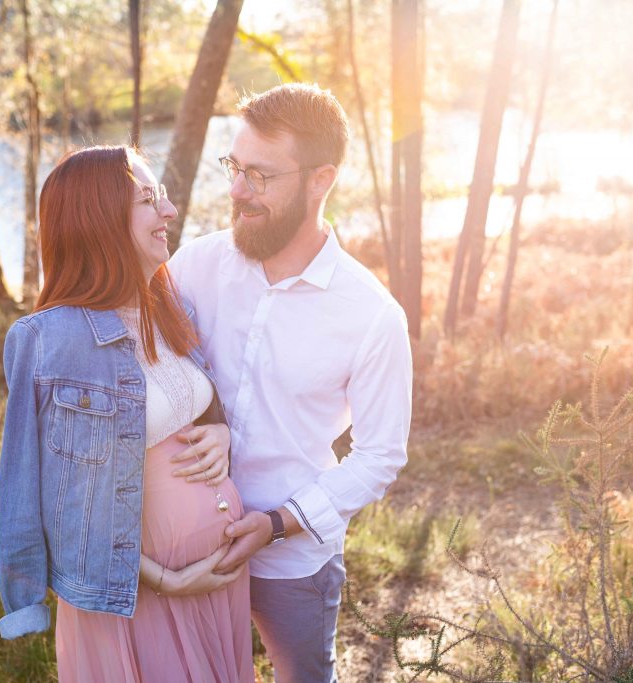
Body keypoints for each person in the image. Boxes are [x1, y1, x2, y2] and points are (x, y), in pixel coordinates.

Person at [167, 83, 413, 682]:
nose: (237, 191)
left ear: (320, 180)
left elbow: (380, 456)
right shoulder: (194, 266)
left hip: (293, 561)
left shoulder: (373, 314)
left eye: (260, 175)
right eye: (234, 167)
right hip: (184, 544)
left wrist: (278, 522)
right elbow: (150, 370)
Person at [0, 146, 253, 683]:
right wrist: (162, 578)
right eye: (148, 198)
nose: (170, 211)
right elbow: (34, 494)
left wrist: (220, 434)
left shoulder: (166, 304)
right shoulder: (48, 341)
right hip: (133, 601)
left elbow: (183, 406)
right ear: (98, 217)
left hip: (218, 587)